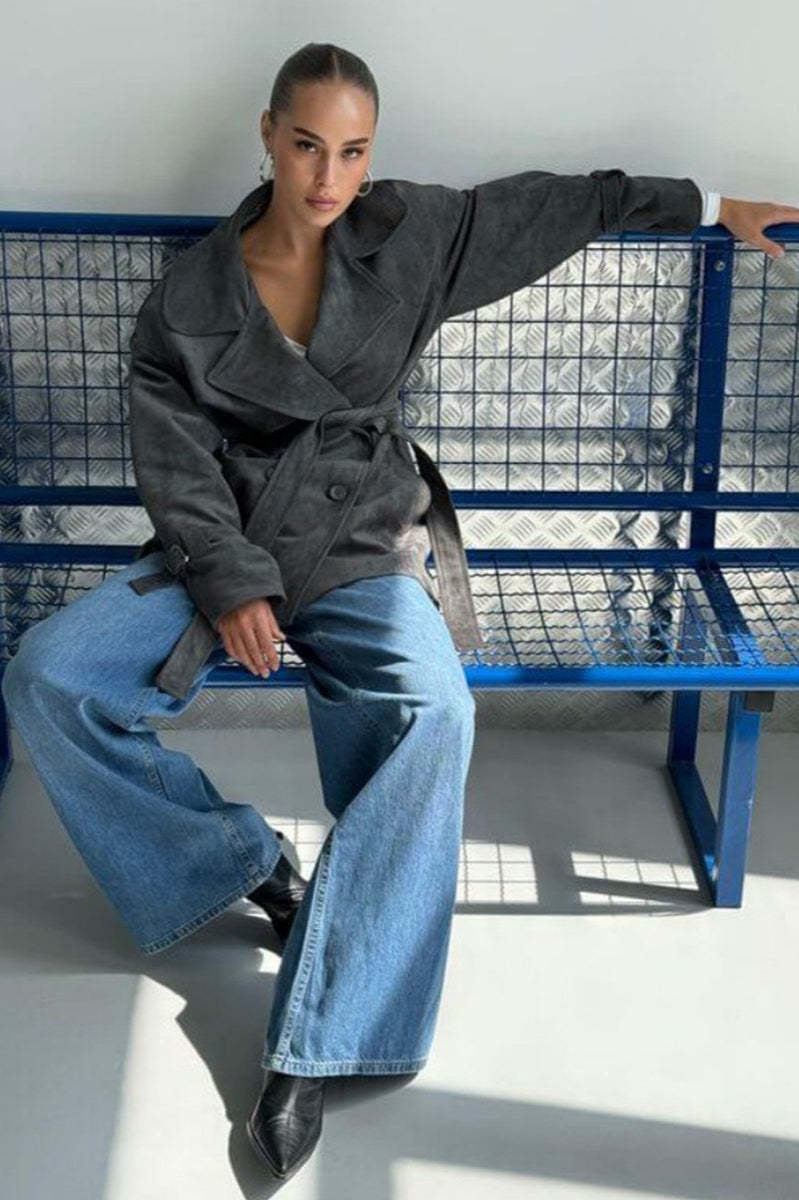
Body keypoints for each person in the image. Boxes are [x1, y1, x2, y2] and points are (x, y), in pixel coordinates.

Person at [4, 39, 797, 1186]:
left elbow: (562, 205)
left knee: (435, 712)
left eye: (353, 151)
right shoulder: (191, 295)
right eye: (307, 145)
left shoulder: (412, 236)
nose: (329, 176)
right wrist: (230, 582)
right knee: (49, 675)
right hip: (222, 541)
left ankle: (325, 1036)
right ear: (269, 135)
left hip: (363, 541)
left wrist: (716, 205)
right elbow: (172, 459)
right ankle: (240, 862)